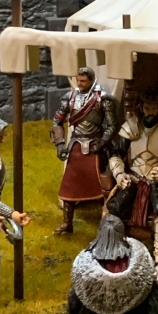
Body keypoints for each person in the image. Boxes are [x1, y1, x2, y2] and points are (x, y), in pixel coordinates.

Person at [107, 89, 158, 283]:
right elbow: (116, 155)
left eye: (154, 108)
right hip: (132, 179)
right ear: (141, 108)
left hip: (156, 181)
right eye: (147, 108)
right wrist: (119, 174)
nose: (150, 112)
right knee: (114, 207)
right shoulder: (131, 128)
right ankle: (114, 255)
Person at [51, 67, 117, 236]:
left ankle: (105, 221)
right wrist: (60, 144)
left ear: (91, 80)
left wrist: (102, 143)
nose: (80, 84)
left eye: (83, 81)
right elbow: (57, 121)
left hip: (95, 147)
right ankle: (67, 223)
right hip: (76, 146)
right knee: (70, 185)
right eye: (78, 80)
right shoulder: (70, 98)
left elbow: (111, 126)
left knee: (103, 186)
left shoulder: (102, 98)